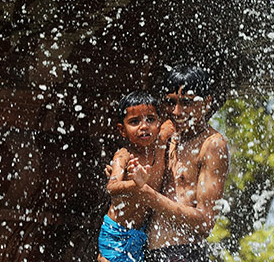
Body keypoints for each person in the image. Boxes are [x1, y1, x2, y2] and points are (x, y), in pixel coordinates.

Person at [137, 65, 230, 262]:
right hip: (147, 252)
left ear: (206, 103)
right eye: (171, 102)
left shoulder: (212, 145)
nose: (177, 111)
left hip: (183, 254)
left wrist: (152, 198)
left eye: (186, 103)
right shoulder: (168, 135)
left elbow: (205, 222)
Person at [98, 91, 166, 262]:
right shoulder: (124, 155)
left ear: (159, 123)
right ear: (122, 130)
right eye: (134, 122)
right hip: (116, 234)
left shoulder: (161, 148)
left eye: (150, 119)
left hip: (138, 235)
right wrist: (135, 185)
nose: (144, 126)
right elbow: (112, 187)